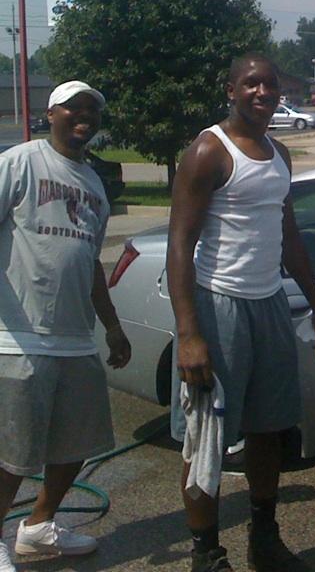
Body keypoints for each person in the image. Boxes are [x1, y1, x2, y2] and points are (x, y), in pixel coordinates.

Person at [167, 53, 315, 572]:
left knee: (268, 430)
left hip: (269, 303)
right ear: (231, 90)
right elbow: (179, 244)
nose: (262, 92)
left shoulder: (280, 153)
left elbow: (288, 236)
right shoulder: (208, 151)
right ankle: (206, 553)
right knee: (207, 437)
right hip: (219, 305)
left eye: (270, 84)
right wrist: (189, 334)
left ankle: (264, 538)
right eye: (251, 83)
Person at [0, 81, 132, 572]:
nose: (84, 117)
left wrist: (112, 326)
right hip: (19, 336)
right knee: (13, 450)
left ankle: (38, 527)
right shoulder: (20, 162)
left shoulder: (94, 183)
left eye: (92, 111)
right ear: (51, 113)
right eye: (74, 108)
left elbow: (92, 261)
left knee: (79, 442)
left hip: (76, 339)